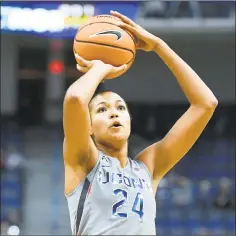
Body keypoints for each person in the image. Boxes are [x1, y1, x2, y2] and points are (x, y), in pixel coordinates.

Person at [63, 11, 218, 235]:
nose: (113, 113)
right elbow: (76, 99)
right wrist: (100, 67)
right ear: (88, 126)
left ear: (129, 120)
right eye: (102, 109)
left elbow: (206, 104)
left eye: (120, 107)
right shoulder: (83, 159)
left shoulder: (148, 167)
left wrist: (159, 46)